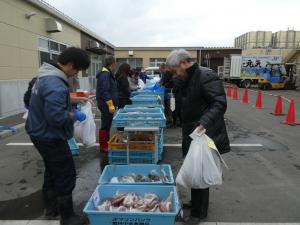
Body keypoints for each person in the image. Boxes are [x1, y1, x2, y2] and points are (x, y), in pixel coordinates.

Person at [25, 47, 90, 225]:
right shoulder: (55, 83)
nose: (75, 74)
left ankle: (51, 208)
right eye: (76, 70)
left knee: (52, 171)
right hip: (49, 136)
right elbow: (55, 116)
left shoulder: (45, 76)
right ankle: (67, 217)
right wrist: (74, 115)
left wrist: (72, 100)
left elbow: (50, 101)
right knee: (65, 173)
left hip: (38, 132)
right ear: (70, 65)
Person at [166, 49, 230, 223]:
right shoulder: (186, 78)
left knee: (200, 172)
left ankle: (198, 214)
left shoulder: (206, 75)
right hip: (191, 131)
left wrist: (204, 123)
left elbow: (219, 103)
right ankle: (196, 203)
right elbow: (178, 91)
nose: (175, 74)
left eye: (176, 70)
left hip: (205, 132)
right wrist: (175, 78)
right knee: (194, 167)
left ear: (185, 63)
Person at [96, 55, 118, 171]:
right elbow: (104, 91)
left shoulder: (108, 73)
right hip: (105, 104)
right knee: (105, 124)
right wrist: (110, 103)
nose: (115, 66)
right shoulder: (105, 74)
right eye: (115, 64)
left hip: (108, 104)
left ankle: (106, 144)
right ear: (112, 64)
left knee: (107, 123)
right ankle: (103, 146)